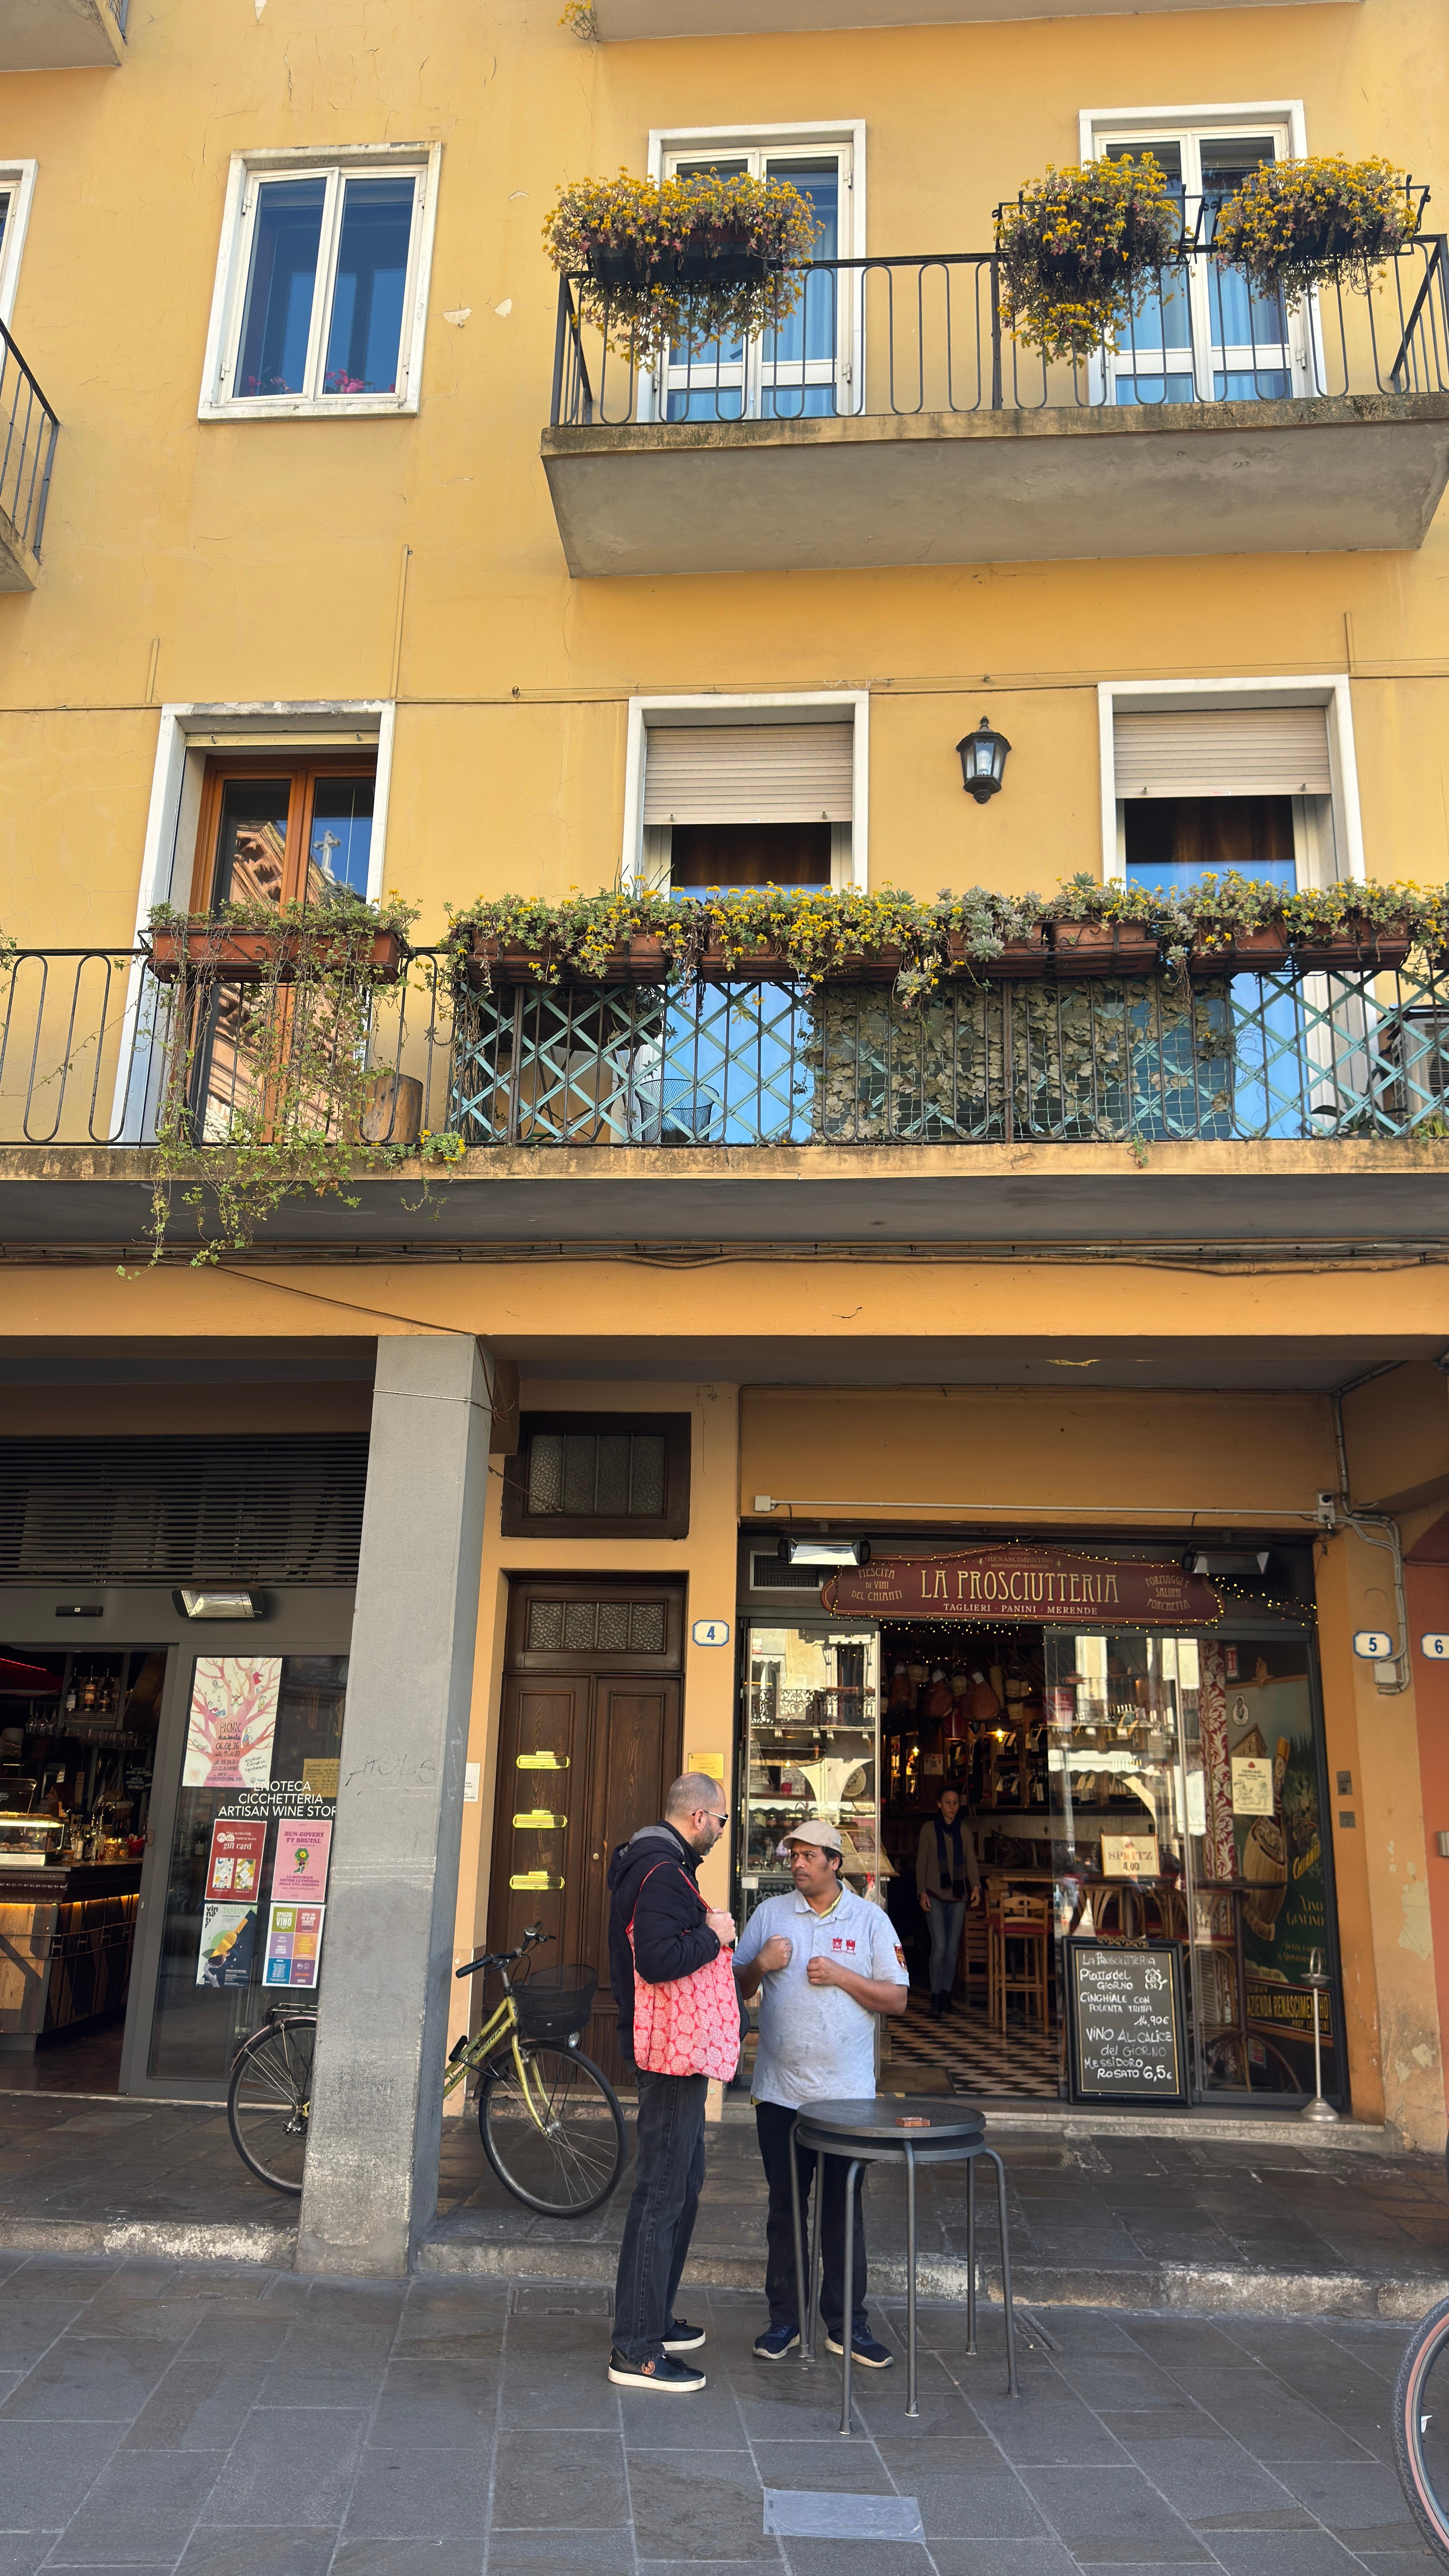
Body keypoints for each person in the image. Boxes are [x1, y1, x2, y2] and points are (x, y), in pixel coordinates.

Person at [733, 1817, 909, 2369]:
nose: (798, 1863)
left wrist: (839, 1974)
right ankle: (784, 2317)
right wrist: (760, 1964)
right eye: (794, 1855)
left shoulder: (871, 1919)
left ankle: (847, 2323)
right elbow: (734, 1984)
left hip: (846, 2100)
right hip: (780, 2094)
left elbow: (897, 1998)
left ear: (836, 1861)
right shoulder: (769, 1914)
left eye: (809, 1855)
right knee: (785, 2210)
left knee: (842, 2209)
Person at [605, 1772, 736, 2394]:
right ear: (697, 1816)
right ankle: (637, 2348)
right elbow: (657, 1960)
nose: (721, 1831)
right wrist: (715, 1935)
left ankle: (650, 2318)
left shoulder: (659, 1866)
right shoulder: (662, 1873)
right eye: (721, 1820)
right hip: (669, 2056)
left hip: (673, 2054)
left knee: (680, 2183)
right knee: (662, 2193)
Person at [915, 1783, 980, 2019]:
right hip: (934, 1893)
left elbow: (970, 1861)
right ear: (939, 1805)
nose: (952, 1808)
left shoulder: (964, 1831)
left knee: (953, 1951)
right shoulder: (929, 1830)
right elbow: (922, 1862)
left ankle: (946, 1995)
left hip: (959, 1896)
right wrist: (921, 1892)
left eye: (956, 1804)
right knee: (939, 1947)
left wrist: (976, 1887)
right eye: (948, 1803)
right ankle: (934, 1996)